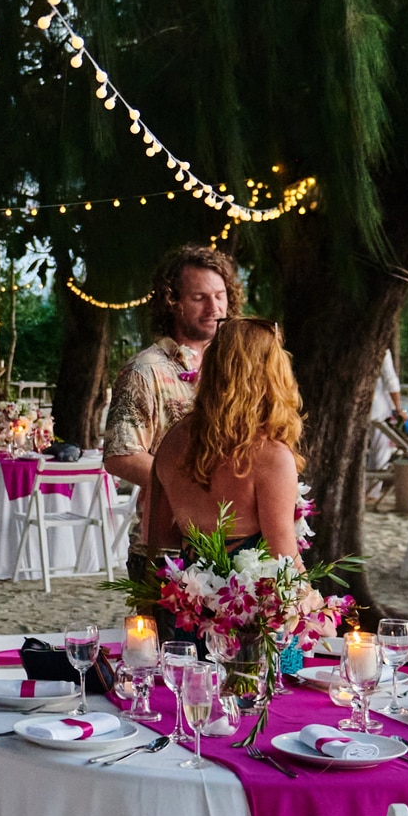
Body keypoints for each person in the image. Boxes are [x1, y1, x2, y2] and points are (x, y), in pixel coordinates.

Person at [103, 243, 242, 580]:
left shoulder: (239, 366)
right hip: (168, 552)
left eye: (220, 295)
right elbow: (120, 456)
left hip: (238, 548)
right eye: (200, 298)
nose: (215, 307)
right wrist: (199, 487)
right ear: (172, 301)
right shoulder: (144, 370)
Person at [144, 318, 306, 560]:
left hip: (190, 594)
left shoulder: (174, 438)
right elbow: (285, 561)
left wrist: (205, 564)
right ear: (272, 374)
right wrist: (316, 597)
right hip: (255, 597)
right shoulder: (271, 456)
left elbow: (154, 533)